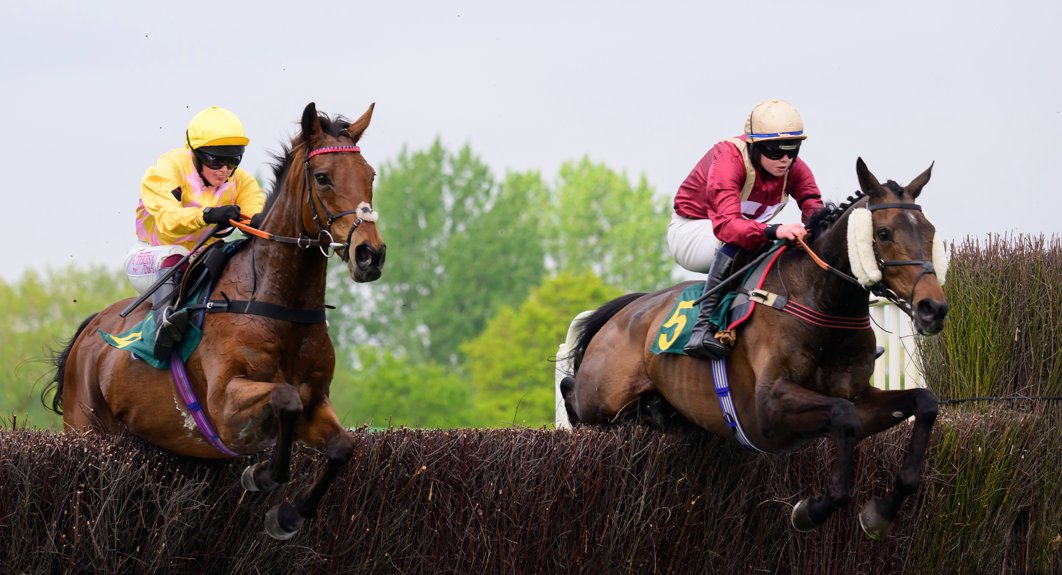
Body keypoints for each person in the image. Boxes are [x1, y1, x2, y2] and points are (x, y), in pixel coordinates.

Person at [668, 99, 824, 360]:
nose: (785, 159)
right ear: (755, 145)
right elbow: (727, 227)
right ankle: (702, 327)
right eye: (775, 151)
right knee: (746, 241)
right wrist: (775, 230)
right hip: (693, 231)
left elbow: (815, 211)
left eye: (792, 150)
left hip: (747, 237)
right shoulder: (729, 159)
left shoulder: (794, 167)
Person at [124, 106, 266, 361]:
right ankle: (162, 329)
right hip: (151, 257)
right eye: (216, 160)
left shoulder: (241, 181)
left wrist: (259, 220)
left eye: (233, 160)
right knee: (175, 254)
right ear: (195, 154)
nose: (225, 170)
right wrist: (208, 215)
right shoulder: (166, 170)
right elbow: (167, 221)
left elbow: (258, 213)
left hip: (201, 260)